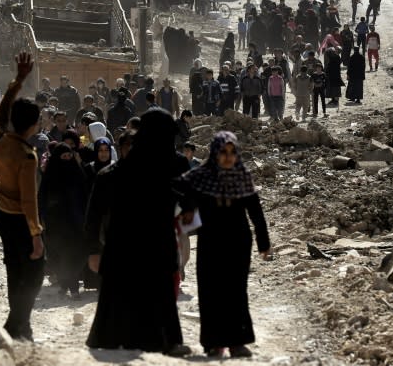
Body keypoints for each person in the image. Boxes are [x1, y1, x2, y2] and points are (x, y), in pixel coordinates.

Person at [85, 109, 192, 357]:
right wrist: (92, 250)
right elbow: (93, 216)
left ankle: (160, 339)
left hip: (149, 244)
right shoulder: (115, 175)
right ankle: (146, 339)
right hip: (130, 245)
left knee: (160, 292)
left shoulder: (165, 169)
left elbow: (188, 201)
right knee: (130, 293)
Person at [178, 132, 271, 358]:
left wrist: (263, 242)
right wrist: (189, 208)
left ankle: (237, 342)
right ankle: (213, 342)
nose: (228, 157)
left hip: (238, 241)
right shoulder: (201, 176)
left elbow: (256, 213)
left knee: (236, 291)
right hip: (211, 240)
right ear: (215, 153)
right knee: (211, 291)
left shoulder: (242, 176)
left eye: (232, 152)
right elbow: (181, 189)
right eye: (223, 152)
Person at [0, 53, 44, 341]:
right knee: (35, 272)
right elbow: (29, 200)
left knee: (14, 271)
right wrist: (36, 234)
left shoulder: (0, 140)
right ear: (33, 125)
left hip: (4, 218)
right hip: (23, 222)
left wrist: (19, 80)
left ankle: (19, 325)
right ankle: (18, 323)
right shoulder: (27, 155)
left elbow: (1, 112)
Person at [39, 142, 88, 298]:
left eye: (69, 156)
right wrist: (41, 218)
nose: (67, 159)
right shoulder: (50, 177)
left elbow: (86, 196)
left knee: (74, 254)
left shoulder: (78, 174)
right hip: (56, 224)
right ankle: (66, 284)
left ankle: (71, 285)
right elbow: (42, 199)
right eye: (63, 157)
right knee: (58, 255)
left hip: (76, 223)